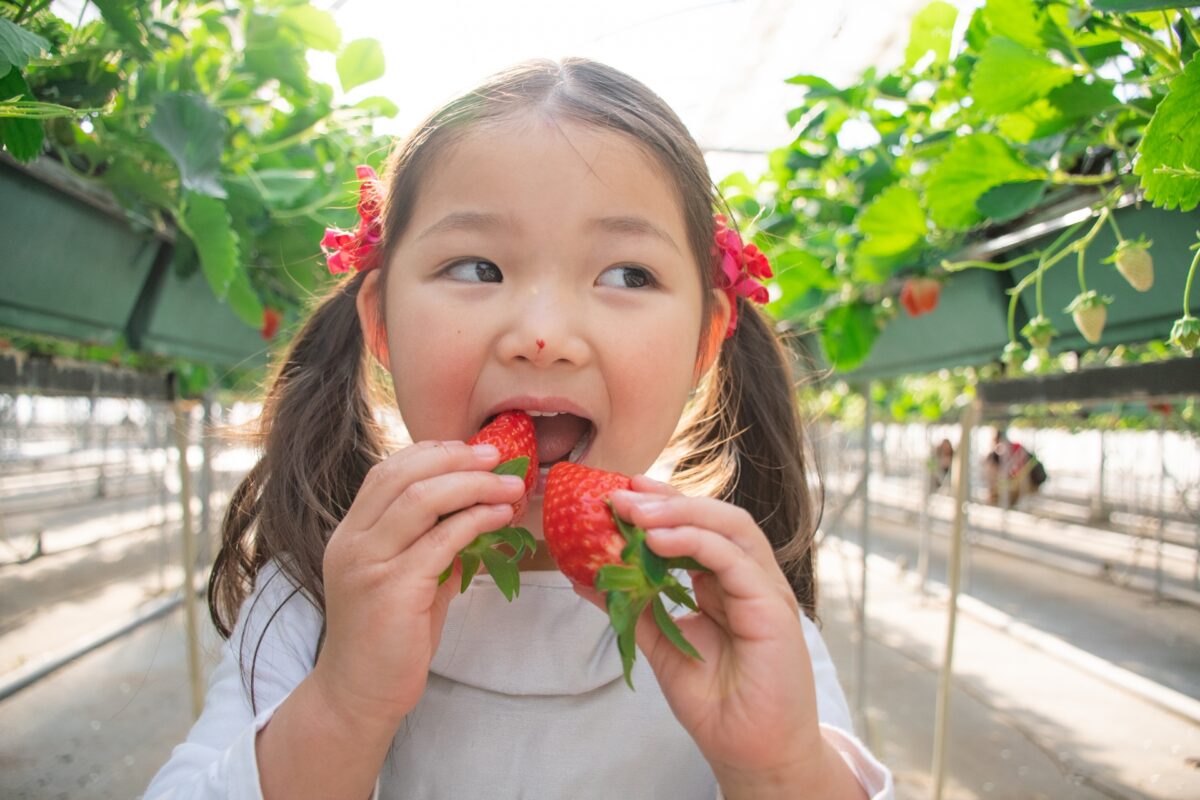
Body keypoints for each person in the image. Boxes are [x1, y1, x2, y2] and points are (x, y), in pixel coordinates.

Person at [145, 58, 892, 799]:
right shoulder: (316, 594)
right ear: (380, 322)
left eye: (628, 275)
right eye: (476, 268)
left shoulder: (736, 618)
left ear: (704, 341)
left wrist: (782, 769)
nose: (543, 333)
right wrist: (345, 703)